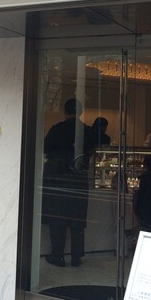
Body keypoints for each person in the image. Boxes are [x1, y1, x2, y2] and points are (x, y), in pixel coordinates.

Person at [42, 98, 94, 268]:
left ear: (65, 112)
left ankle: (58, 255)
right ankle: (76, 257)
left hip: (57, 175)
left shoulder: (57, 129)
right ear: (80, 112)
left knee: (57, 216)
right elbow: (92, 150)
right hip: (79, 176)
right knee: (77, 218)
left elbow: (45, 148)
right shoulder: (88, 131)